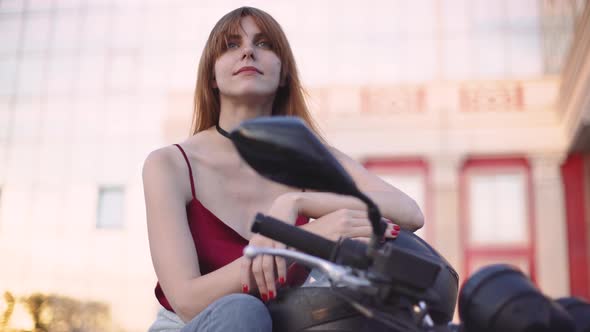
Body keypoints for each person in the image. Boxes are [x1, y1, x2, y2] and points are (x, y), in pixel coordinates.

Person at [143, 6, 424, 332]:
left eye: (264, 44)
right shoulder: (170, 164)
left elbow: (409, 212)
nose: (248, 50)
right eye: (231, 45)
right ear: (211, 77)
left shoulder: (309, 158)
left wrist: (297, 203)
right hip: (194, 326)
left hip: (286, 325)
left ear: (284, 73)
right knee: (241, 311)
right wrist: (309, 236)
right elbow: (188, 301)